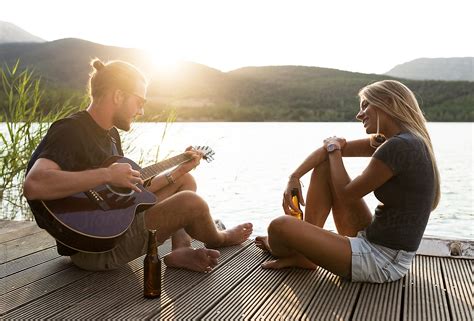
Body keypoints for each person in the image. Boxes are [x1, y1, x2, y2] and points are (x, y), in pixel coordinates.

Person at [23, 59, 252, 272]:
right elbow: (34, 184)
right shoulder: (71, 130)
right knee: (191, 203)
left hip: (115, 226)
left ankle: (181, 249)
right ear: (119, 95)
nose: (141, 110)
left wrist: (178, 171)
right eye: (139, 101)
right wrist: (106, 175)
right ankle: (220, 237)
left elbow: (132, 194)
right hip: (95, 248)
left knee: (186, 181)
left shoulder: (110, 135)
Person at [256, 80, 440, 283]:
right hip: (375, 241)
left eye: (365, 105)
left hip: (381, 261)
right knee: (326, 166)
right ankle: (303, 254)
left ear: (388, 102)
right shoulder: (401, 140)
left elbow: (345, 193)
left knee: (279, 226)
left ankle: (294, 248)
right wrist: (295, 176)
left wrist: (334, 150)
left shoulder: (400, 146)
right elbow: (327, 152)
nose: (359, 115)